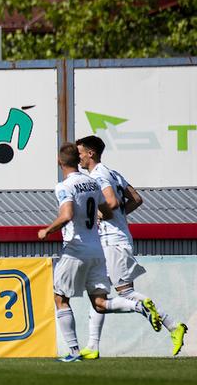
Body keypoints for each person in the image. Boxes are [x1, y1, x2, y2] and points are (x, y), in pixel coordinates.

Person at [38, 143, 160, 362]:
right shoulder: (92, 182)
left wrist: (47, 230)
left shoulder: (64, 186)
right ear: (78, 159)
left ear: (60, 162)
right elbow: (110, 213)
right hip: (97, 249)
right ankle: (136, 305)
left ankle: (74, 351)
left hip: (75, 249)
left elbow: (66, 215)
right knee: (100, 303)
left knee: (60, 298)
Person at [76, 136, 187, 357]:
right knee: (98, 292)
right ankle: (92, 346)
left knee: (124, 292)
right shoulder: (114, 173)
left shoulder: (98, 174)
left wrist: (101, 214)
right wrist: (117, 216)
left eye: (80, 152)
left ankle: (173, 325)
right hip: (115, 237)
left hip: (112, 240)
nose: (78, 157)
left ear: (90, 153)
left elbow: (113, 201)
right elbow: (136, 198)